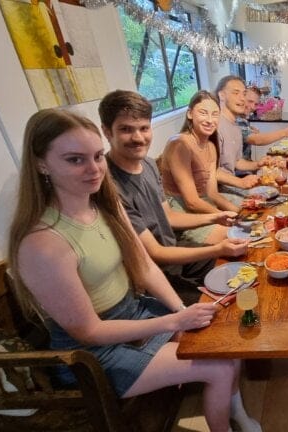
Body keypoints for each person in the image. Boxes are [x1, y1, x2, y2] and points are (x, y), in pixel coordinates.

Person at [7, 108, 261, 432]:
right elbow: (89, 331)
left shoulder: (104, 205)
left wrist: (181, 309)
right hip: (94, 354)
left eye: (98, 156)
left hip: (134, 312)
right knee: (220, 367)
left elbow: (144, 267)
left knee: (224, 337)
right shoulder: (42, 244)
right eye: (75, 159)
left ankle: (236, 413)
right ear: (41, 163)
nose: (94, 169)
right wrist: (172, 321)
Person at [100, 90, 248, 303]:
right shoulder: (110, 185)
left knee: (240, 265)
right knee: (223, 299)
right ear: (107, 131)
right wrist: (216, 247)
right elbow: (154, 254)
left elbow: (169, 217)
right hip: (150, 274)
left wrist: (214, 217)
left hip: (173, 253)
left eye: (144, 128)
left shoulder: (149, 164)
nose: (138, 138)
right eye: (125, 129)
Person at [158, 91, 243, 244]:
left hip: (203, 203)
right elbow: (191, 201)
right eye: (203, 113)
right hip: (180, 210)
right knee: (236, 235)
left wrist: (237, 213)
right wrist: (222, 216)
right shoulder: (179, 144)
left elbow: (212, 193)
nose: (210, 120)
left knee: (248, 209)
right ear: (190, 114)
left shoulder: (210, 146)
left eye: (215, 114)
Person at [214, 75, 261, 190]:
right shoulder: (214, 125)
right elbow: (211, 171)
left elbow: (237, 161)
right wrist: (240, 182)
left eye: (244, 94)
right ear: (222, 95)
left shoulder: (235, 127)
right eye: (236, 93)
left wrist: (259, 164)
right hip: (218, 191)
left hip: (230, 185)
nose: (242, 99)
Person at [241, 85, 288, 161]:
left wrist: (249, 129)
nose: (253, 107)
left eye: (256, 104)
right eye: (250, 101)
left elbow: (244, 134)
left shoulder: (243, 119)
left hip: (248, 164)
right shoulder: (237, 119)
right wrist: (285, 132)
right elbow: (256, 140)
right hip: (240, 171)